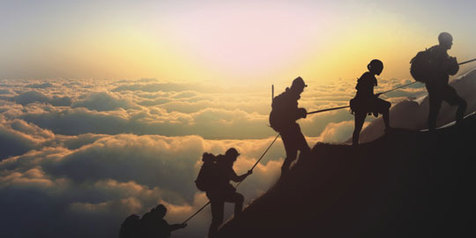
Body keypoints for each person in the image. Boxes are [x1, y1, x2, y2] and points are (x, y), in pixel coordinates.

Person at [424, 32, 466, 131]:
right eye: (450, 41)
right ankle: (459, 128)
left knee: (434, 112)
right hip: (440, 87)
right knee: (462, 104)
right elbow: (450, 71)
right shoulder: (442, 53)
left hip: (432, 86)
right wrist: (453, 63)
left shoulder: (433, 50)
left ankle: (431, 133)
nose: (452, 43)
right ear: (445, 41)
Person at [269, 76, 310, 175]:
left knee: (292, 155)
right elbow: (289, 115)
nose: (302, 91)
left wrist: (299, 113)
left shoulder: (287, 97)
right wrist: (300, 113)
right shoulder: (290, 99)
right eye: (301, 89)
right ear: (297, 88)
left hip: (286, 129)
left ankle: (288, 174)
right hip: (289, 129)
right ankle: (298, 172)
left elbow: (289, 114)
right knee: (304, 151)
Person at [207, 148, 252, 238]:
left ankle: (212, 236)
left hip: (214, 194)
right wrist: (247, 174)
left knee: (217, 220)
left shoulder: (219, 163)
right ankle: (237, 221)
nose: (235, 159)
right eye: (235, 157)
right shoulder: (226, 166)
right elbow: (236, 179)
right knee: (239, 199)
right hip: (220, 194)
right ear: (231, 156)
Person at [350, 59, 391, 145]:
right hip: (363, 104)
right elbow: (364, 92)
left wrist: (373, 97)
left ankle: (354, 145)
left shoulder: (367, 76)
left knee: (358, 127)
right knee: (386, 106)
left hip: (361, 103)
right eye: (380, 68)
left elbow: (362, 91)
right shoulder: (368, 76)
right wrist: (373, 98)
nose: (381, 70)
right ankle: (387, 128)